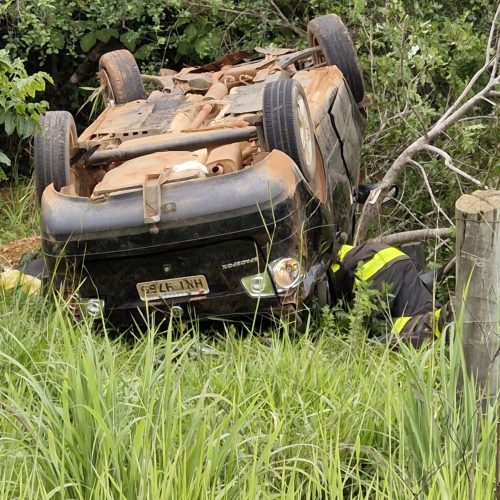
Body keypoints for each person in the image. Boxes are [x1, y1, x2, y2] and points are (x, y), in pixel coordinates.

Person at [330, 241, 453, 347]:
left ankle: (435, 326)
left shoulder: (329, 257)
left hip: (374, 269)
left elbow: (334, 276)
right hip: (400, 259)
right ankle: (445, 321)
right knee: (420, 311)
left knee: (373, 330)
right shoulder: (347, 248)